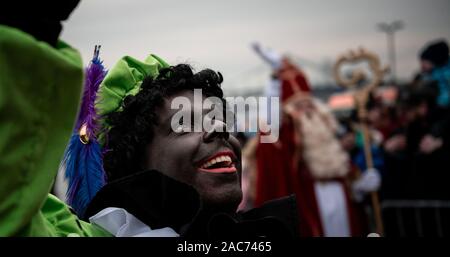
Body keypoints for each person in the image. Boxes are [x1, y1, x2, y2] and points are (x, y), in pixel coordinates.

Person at [252, 44, 380, 236]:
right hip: (311, 203)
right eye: (299, 106)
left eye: (309, 104)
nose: (307, 110)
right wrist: (274, 82)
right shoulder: (290, 138)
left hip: (344, 206)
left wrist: (359, 186)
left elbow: (344, 171)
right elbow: (269, 131)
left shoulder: (326, 132)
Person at [419, 39, 450, 109]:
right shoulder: (431, 74)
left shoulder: (442, 74)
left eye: (424, 62)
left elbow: (445, 97)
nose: (422, 66)